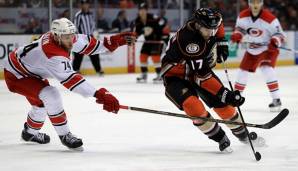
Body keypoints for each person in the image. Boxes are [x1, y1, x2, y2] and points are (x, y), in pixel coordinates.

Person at [3, 18, 135, 150]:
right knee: (51, 95)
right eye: (67, 37)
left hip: (29, 70)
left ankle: (29, 134)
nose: (71, 40)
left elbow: (90, 45)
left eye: (72, 35)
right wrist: (99, 94)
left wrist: (113, 42)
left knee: (41, 104)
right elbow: (72, 80)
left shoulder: (64, 37)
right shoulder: (52, 54)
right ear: (56, 36)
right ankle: (65, 135)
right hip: (16, 75)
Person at [161, 8, 264, 152]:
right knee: (193, 106)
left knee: (224, 106)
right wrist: (225, 94)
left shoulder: (209, 22)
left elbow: (219, 24)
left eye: (213, 29)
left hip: (197, 71)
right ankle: (220, 137)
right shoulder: (190, 42)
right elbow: (203, 76)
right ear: (197, 25)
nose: (211, 33)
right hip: (176, 77)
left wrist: (221, 42)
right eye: (207, 30)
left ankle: (243, 135)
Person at [231, 0, 286, 112]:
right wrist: (237, 35)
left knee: (267, 70)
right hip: (252, 49)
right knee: (242, 72)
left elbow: (280, 34)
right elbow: (240, 29)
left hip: (268, 49)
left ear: (261, 4)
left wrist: (275, 41)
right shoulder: (242, 16)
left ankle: (276, 99)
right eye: (253, 2)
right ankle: (235, 98)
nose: (255, 5)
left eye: (257, 2)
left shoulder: (270, 19)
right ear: (249, 3)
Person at [132, 2, 170, 83]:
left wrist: (165, 37)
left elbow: (164, 25)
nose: (142, 12)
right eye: (140, 10)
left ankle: (160, 75)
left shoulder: (154, 18)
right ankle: (144, 75)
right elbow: (137, 32)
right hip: (148, 41)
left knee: (155, 56)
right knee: (143, 56)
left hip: (158, 41)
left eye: (144, 10)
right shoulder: (138, 21)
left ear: (146, 10)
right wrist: (133, 38)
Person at [73, 0, 104, 76]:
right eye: (84, 4)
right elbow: (75, 27)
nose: (85, 5)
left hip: (90, 36)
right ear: (81, 5)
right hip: (81, 37)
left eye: (86, 4)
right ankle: (75, 70)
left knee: (94, 53)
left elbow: (93, 25)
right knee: (78, 54)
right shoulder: (78, 15)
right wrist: (77, 38)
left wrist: (94, 34)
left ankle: (98, 70)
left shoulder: (91, 14)